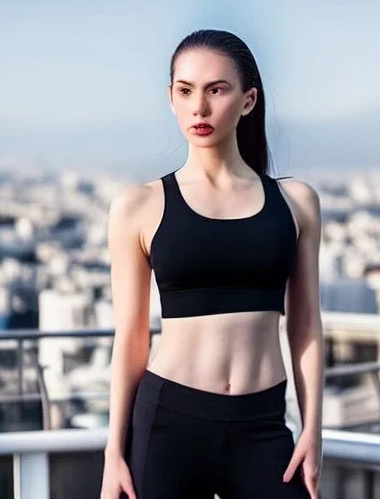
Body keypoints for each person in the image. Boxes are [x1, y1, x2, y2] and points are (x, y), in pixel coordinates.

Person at [100, 28, 324, 499]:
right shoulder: (138, 207)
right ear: (171, 98)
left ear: (248, 101)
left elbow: (304, 327)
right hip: (167, 426)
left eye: (216, 90)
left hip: (263, 427)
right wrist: (113, 452)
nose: (199, 107)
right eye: (185, 91)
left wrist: (313, 429)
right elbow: (132, 338)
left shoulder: (297, 203)